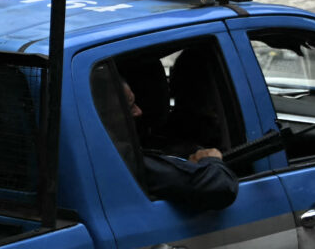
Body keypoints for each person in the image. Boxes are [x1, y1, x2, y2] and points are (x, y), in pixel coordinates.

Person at [97, 62, 235, 211]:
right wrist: (211, 160)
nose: (139, 112)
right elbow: (221, 186)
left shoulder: (156, 142)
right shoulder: (125, 160)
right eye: (129, 106)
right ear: (103, 116)